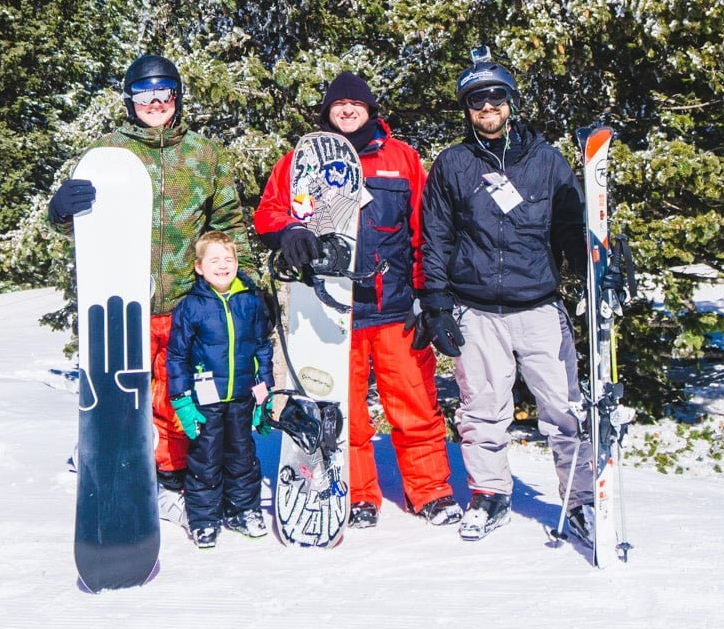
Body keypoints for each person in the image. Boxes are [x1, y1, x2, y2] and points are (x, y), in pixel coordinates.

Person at [48, 53, 251, 525]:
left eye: (165, 94)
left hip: (187, 301)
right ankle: (124, 468)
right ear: (129, 100)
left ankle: (174, 476)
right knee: (129, 393)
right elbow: (79, 224)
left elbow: (228, 224)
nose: (155, 103)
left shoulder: (203, 153)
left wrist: (243, 284)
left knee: (179, 394)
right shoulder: (108, 153)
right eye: (145, 94)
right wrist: (59, 211)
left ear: (177, 98)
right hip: (125, 300)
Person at [254, 70, 461, 529]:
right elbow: (268, 210)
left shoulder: (402, 159)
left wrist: (430, 297)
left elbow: (424, 231)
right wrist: (289, 230)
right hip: (331, 312)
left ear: (370, 109)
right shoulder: (300, 161)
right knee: (343, 409)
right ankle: (357, 492)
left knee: (415, 404)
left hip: (392, 308)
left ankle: (431, 491)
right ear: (327, 112)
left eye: (356, 104)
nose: (347, 110)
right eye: (338, 105)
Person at [416, 47, 595, 544]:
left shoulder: (546, 161)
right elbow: (436, 239)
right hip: (476, 309)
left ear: (511, 101)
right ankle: (490, 494)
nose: (487, 107)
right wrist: (436, 303)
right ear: (467, 108)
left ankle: (579, 500)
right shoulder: (453, 165)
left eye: (496, 97)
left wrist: (591, 267)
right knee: (481, 409)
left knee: (564, 408)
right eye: (477, 100)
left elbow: (568, 229)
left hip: (538, 305)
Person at [165, 230, 274, 548]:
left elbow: (261, 348)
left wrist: (263, 394)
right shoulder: (191, 307)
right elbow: (176, 356)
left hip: (241, 397)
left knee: (243, 457)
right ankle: (204, 519)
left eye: (229, 259)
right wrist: (182, 400)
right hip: (204, 402)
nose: (223, 266)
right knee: (205, 460)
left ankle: (243, 511)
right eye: (214, 260)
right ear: (199, 267)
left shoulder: (250, 302)